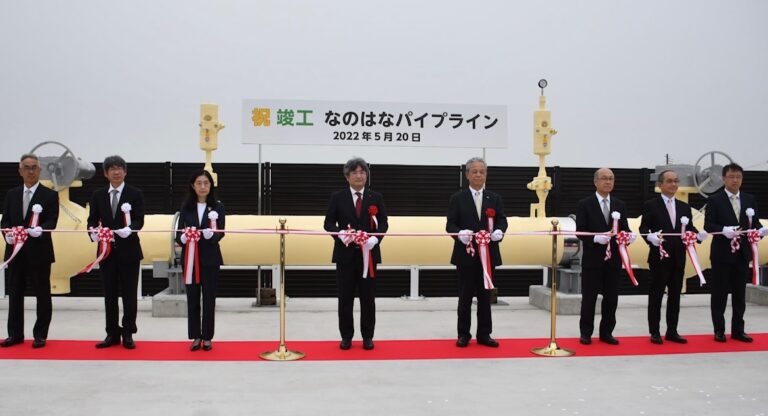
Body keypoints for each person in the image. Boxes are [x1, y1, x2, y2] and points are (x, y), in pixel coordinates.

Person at [323, 157, 388, 350]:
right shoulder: (337, 197)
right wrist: (341, 234)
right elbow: (328, 223)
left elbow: (384, 223)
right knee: (345, 299)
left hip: (369, 255)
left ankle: (368, 336)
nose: (359, 176)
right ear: (347, 177)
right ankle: (346, 336)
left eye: (362, 172)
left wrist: (375, 238)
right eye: (355, 172)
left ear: (366, 175)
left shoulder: (376, 197)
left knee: (368, 299)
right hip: (345, 256)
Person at [446, 157, 508, 348]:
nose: (478, 175)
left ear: (486, 175)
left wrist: (500, 231)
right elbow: (450, 224)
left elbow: (502, 221)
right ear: (467, 175)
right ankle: (463, 334)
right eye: (474, 171)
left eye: (482, 171)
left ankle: (484, 334)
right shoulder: (457, 198)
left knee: (485, 298)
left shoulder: (494, 198)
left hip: (488, 256)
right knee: (464, 297)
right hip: (466, 255)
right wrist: (460, 234)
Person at [639, 170, 706, 345]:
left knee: (675, 295)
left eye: (676, 181)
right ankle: (654, 331)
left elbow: (689, 228)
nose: (673, 184)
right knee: (656, 295)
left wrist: (698, 236)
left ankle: (672, 330)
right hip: (659, 257)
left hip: (678, 257)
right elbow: (643, 228)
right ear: (660, 184)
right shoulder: (651, 205)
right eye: (669, 181)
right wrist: (650, 237)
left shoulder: (684, 207)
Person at [1, 154, 59, 348]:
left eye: (34, 167)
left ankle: (40, 334)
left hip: (39, 253)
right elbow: (5, 220)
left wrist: (40, 230)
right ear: (20, 171)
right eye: (27, 167)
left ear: (40, 170)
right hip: (15, 253)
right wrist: (7, 235)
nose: (31, 171)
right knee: (15, 294)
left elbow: (52, 221)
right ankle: (15, 334)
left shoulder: (50, 195)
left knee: (42, 294)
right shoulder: (12, 194)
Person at [704, 163, 767, 342]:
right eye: (731, 177)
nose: (735, 180)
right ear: (724, 178)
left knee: (739, 294)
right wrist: (723, 230)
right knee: (719, 293)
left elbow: (754, 223)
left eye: (738, 177)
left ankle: (738, 330)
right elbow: (709, 225)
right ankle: (719, 330)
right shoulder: (715, 200)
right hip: (722, 254)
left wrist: (760, 231)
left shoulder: (749, 199)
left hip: (742, 254)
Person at [87, 155, 145, 349]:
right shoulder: (98, 195)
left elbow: (139, 219)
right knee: (109, 295)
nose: (116, 172)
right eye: (112, 168)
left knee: (129, 295)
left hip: (129, 252)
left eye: (119, 168)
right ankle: (111, 333)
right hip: (106, 253)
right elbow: (92, 220)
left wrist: (130, 229)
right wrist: (93, 233)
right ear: (106, 173)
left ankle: (128, 333)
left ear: (125, 172)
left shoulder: (135, 193)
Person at [576, 168, 635, 345]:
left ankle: (607, 332)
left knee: (611, 298)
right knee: (589, 298)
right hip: (593, 259)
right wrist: (595, 238)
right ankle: (586, 332)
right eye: (604, 178)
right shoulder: (585, 204)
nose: (608, 182)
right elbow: (580, 231)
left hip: (614, 259)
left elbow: (624, 227)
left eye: (611, 179)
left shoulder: (619, 204)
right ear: (595, 182)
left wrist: (628, 236)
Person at [175, 170, 225, 351]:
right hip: (190, 259)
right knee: (193, 299)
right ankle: (196, 336)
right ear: (193, 186)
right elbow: (178, 234)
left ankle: (208, 337)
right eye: (199, 183)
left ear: (211, 186)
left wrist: (212, 235)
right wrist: (183, 238)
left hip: (210, 259)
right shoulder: (186, 207)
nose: (202, 186)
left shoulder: (218, 207)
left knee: (209, 299)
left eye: (206, 183)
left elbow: (221, 232)